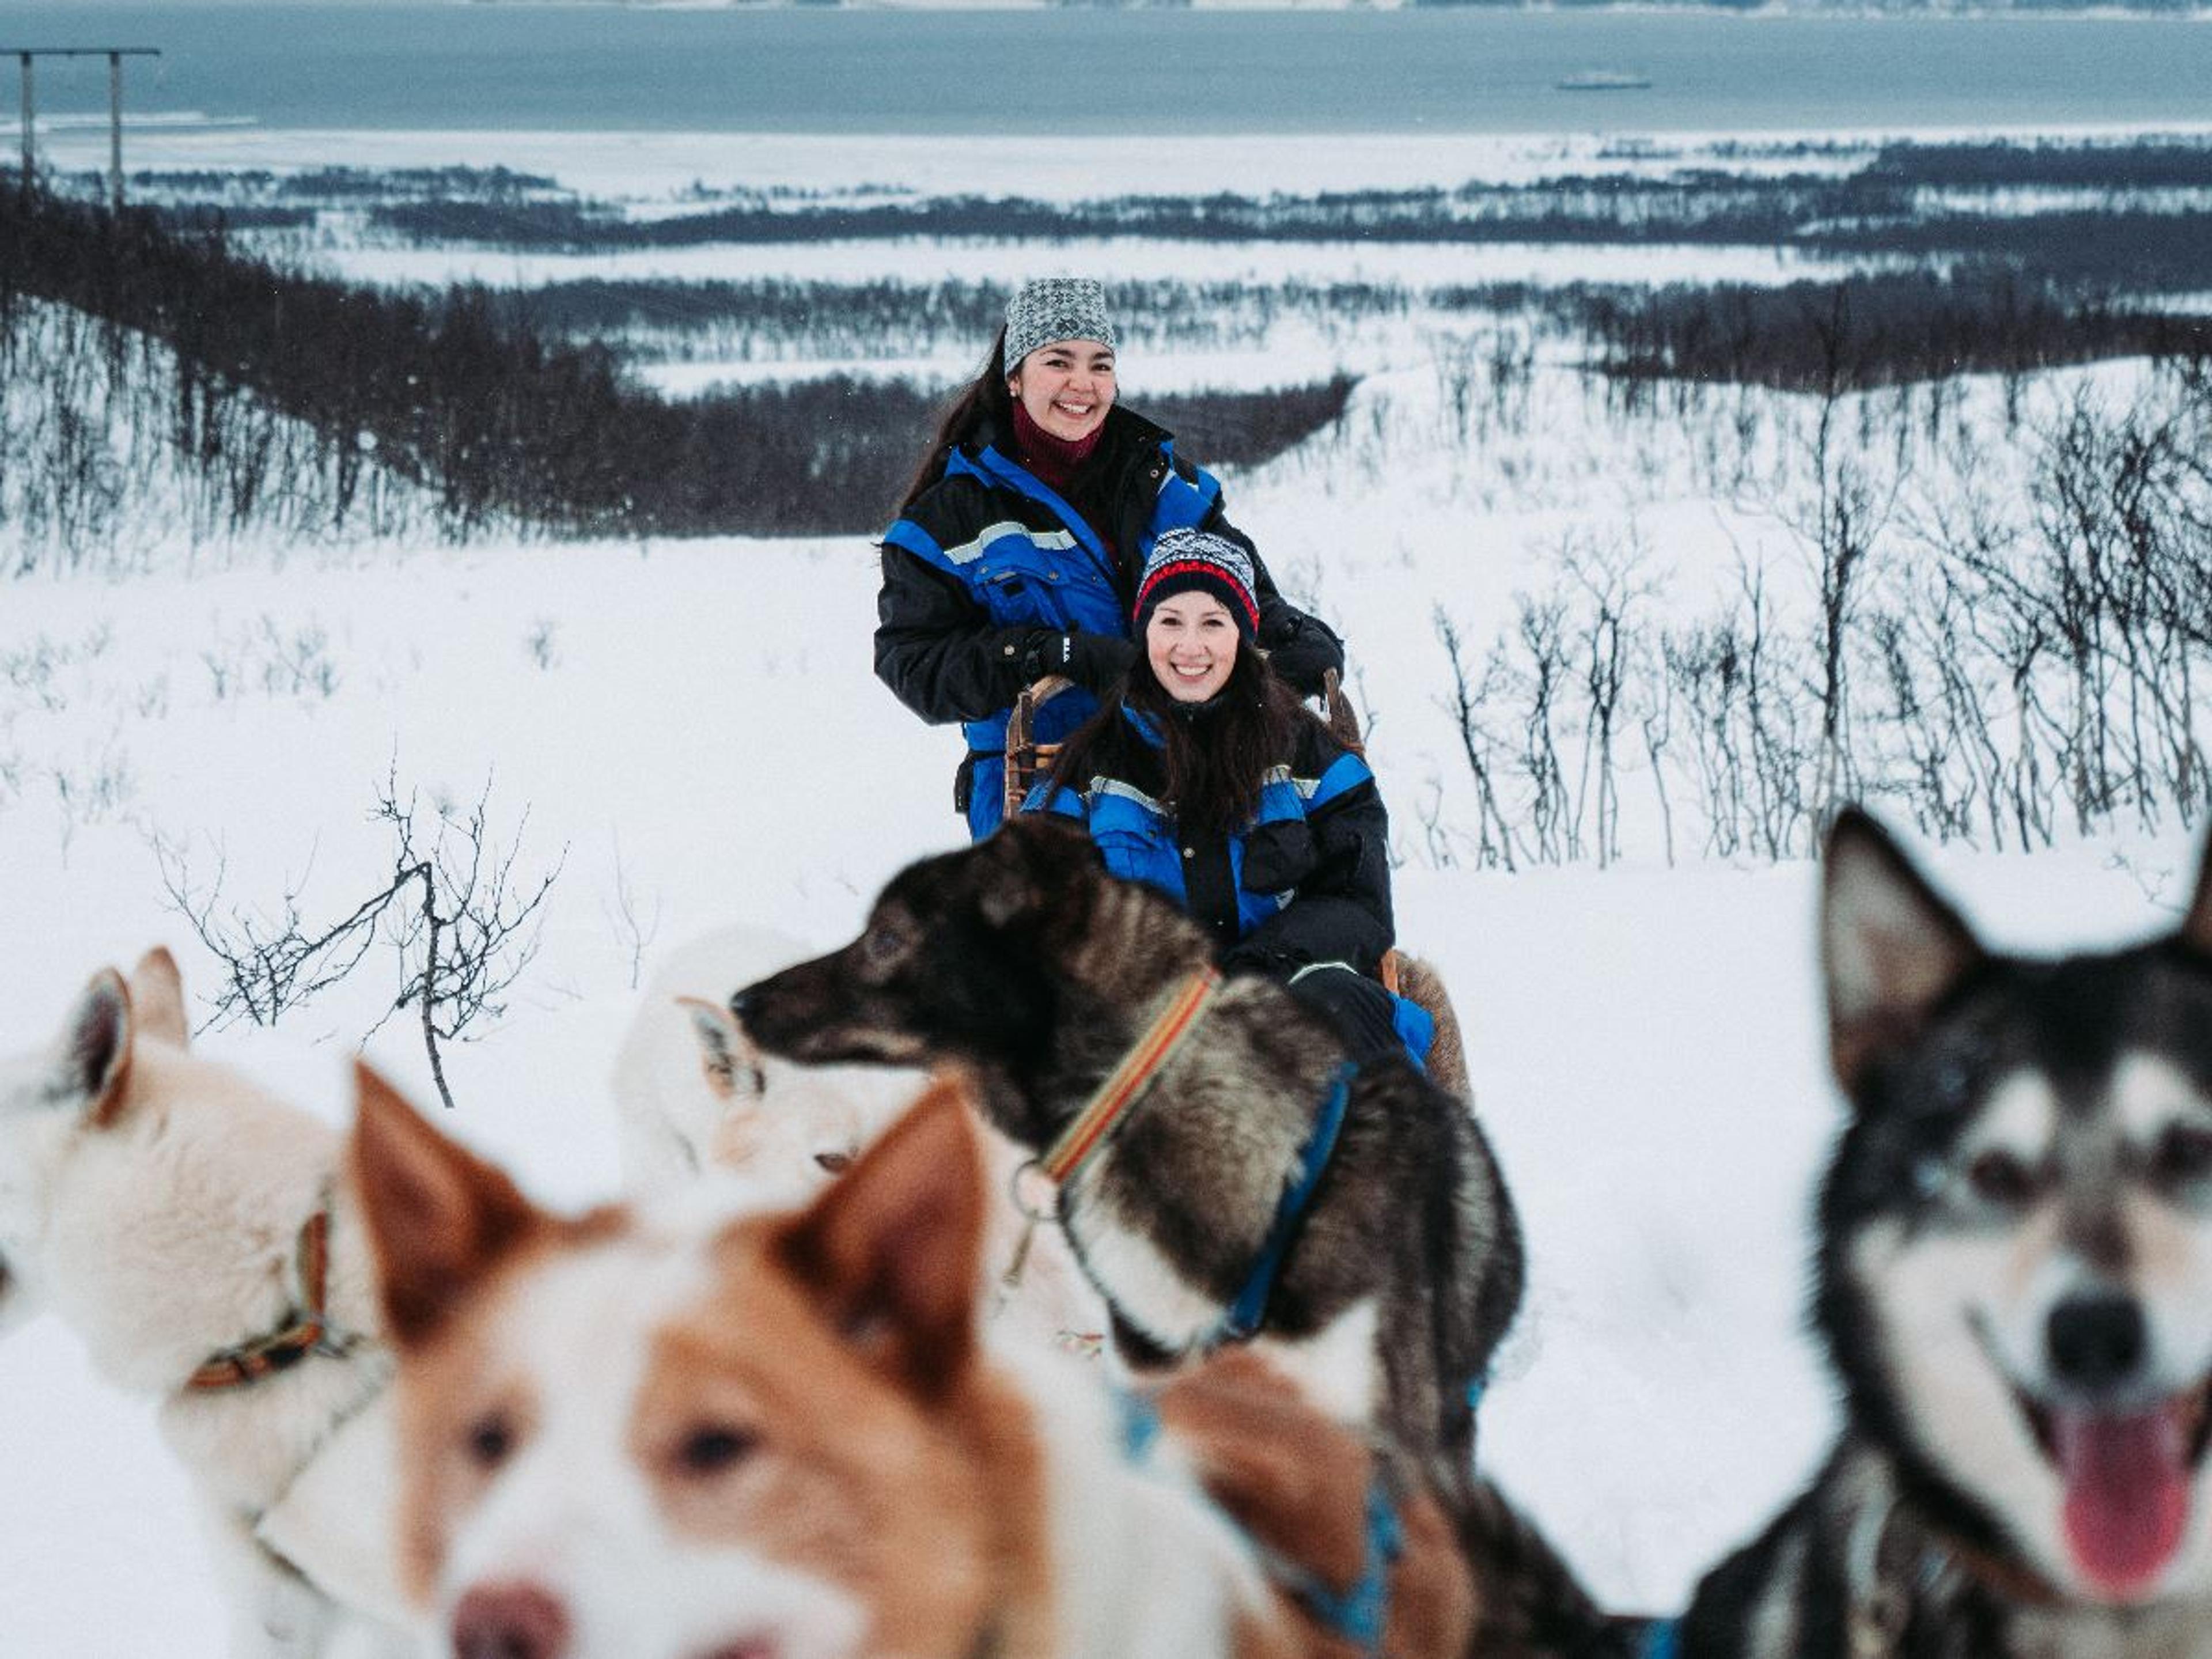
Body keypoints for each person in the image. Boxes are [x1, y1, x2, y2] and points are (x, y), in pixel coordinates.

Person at [875, 277, 1346, 839]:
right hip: (1047, 790)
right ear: (1015, 378)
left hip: (1191, 775)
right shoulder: (948, 521)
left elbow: (1241, 591)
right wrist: (1048, 654)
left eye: (1101, 364)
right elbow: (915, 664)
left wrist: (1291, 632)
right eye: (1059, 361)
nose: (1083, 383)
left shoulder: (1166, 486)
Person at [1023, 528, 1416, 1069]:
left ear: (1243, 634)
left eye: (1213, 622)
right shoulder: (1090, 764)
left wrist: (1255, 971)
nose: (1190, 647)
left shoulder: (1303, 749)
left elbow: (1356, 900)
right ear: (1145, 632)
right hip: (1144, 1019)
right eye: (1170, 622)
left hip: (1286, 995)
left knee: (1343, 1009)